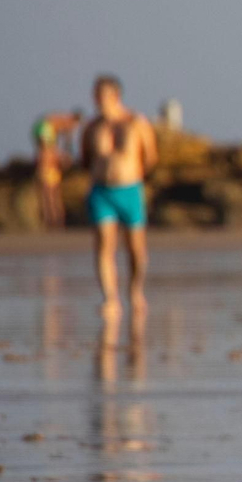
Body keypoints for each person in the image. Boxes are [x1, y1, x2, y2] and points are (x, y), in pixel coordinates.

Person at [81, 75, 157, 317]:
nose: (96, 100)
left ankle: (135, 290)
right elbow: (85, 158)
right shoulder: (92, 128)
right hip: (102, 191)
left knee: (136, 248)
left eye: (101, 94)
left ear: (116, 96)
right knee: (104, 244)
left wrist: (133, 174)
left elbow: (151, 156)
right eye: (95, 95)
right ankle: (110, 298)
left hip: (130, 190)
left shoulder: (136, 122)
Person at [32, 109, 82, 229]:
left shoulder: (59, 121)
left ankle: (51, 220)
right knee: (51, 194)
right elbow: (67, 142)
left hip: (41, 130)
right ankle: (54, 220)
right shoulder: (68, 123)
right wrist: (67, 156)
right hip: (48, 169)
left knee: (49, 194)